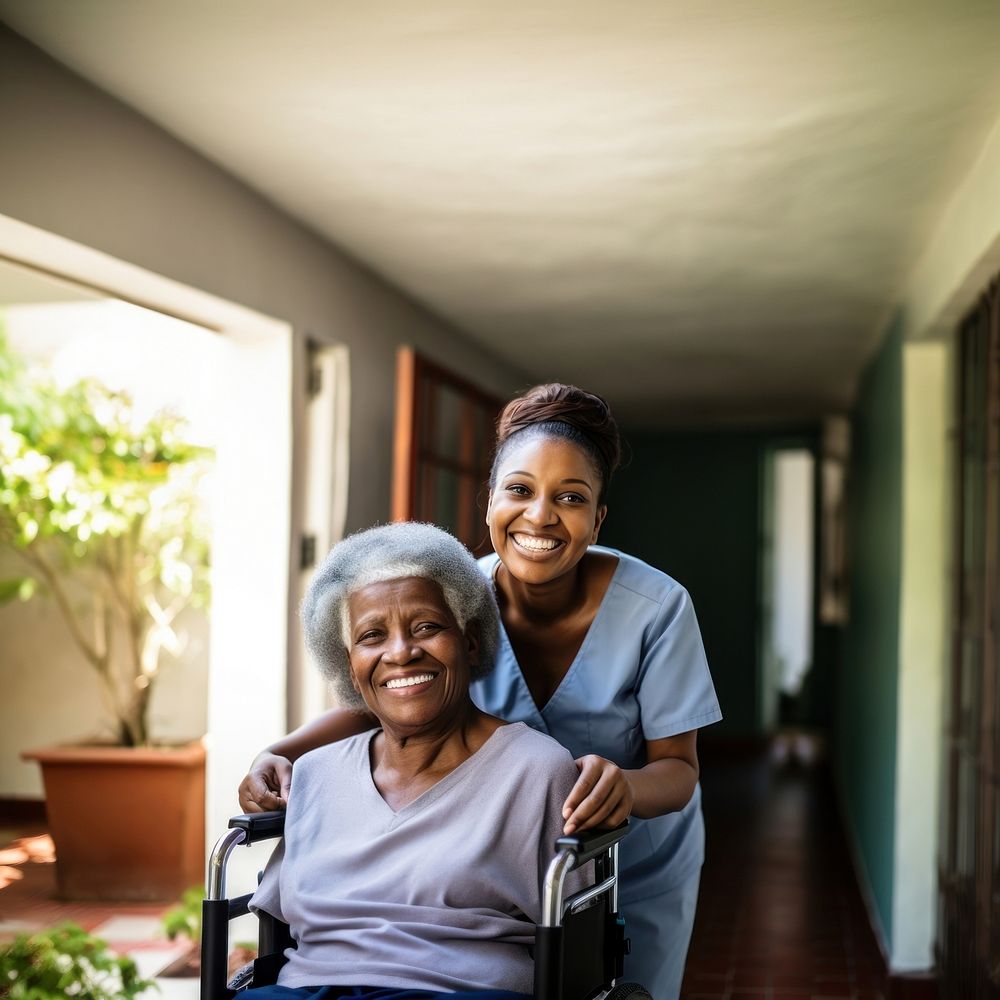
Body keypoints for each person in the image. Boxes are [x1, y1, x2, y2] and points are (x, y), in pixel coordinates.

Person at [241, 384, 723, 1000]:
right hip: (500, 872)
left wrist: (624, 787)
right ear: (489, 501)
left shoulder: (656, 608)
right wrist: (278, 752)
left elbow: (679, 770)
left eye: (570, 498)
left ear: (597, 518)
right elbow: (383, 697)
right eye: (519, 490)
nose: (541, 516)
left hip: (635, 860)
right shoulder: (455, 598)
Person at [246, 521, 585, 1000]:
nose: (401, 652)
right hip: (306, 990)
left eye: (426, 626)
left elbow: (576, 937)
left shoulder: (536, 770)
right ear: (349, 664)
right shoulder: (314, 774)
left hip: (459, 991)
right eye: (372, 635)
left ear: (469, 641)